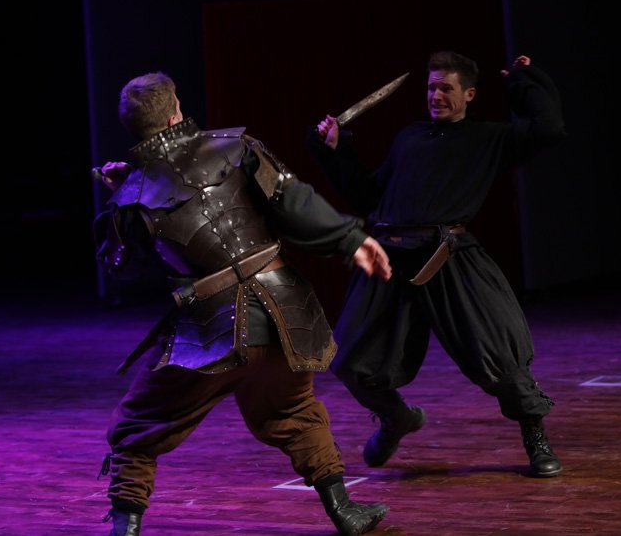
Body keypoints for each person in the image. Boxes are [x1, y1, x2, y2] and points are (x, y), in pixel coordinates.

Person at [93, 71, 395, 536]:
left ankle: (124, 529)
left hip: (208, 331)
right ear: (175, 112)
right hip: (282, 314)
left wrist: (123, 196)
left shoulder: (134, 195)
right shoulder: (235, 146)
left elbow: (124, 268)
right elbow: (293, 202)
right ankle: (345, 511)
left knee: (138, 426)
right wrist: (351, 239)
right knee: (294, 411)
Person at [306, 51, 566, 478]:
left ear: (469, 94)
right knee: (349, 360)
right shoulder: (410, 138)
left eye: (446, 88)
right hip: (391, 259)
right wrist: (336, 151)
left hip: (449, 257)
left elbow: (548, 128)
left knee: (501, 356)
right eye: (431, 87)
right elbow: (368, 195)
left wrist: (524, 82)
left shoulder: (488, 138)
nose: (436, 95)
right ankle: (397, 418)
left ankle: (535, 437)